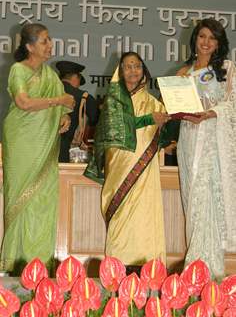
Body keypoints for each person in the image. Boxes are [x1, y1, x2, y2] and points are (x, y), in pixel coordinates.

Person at [85, 51, 170, 273]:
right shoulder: (113, 101)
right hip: (120, 168)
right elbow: (114, 128)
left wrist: (162, 126)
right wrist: (148, 119)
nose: (133, 70)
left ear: (144, 71)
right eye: (127, 66)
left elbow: (160, 142)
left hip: (145, 170)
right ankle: (117, 268)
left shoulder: (155, 103)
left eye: (137, 66)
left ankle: (146, 269)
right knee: (121, 217)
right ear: (120, 73)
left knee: (145, 215)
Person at [0, 23, 75, 275]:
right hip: (22, 142)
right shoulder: (18, 70)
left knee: (43, 199)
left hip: (44, 144)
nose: (50, 44)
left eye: (49, 39)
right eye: (44, 41)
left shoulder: (51, 75)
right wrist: (58, 101)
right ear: (30, 47)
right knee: (21, 197)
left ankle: (38, 264)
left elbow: (67, 103)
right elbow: (23, 102)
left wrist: (64, 116)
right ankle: (13, 263)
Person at [176, 18, 236, 279]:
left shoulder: (227, 68)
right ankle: (198, 266)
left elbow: (232, 105)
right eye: (202, 36)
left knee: (207, 197)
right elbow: (176, 107)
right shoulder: (183, 72)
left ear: (219, 42)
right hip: (189, 140)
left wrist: (210, 113)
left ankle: (204, 269)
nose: (206, 42)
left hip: (213, 140)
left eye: (212, 38)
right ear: (195, 40)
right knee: (192, 200)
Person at [56, 61, 99, 162]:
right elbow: (96, 120)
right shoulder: (83, 97)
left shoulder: (46, 93)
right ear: (76, 77)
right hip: (63, 150)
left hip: (40, 146)